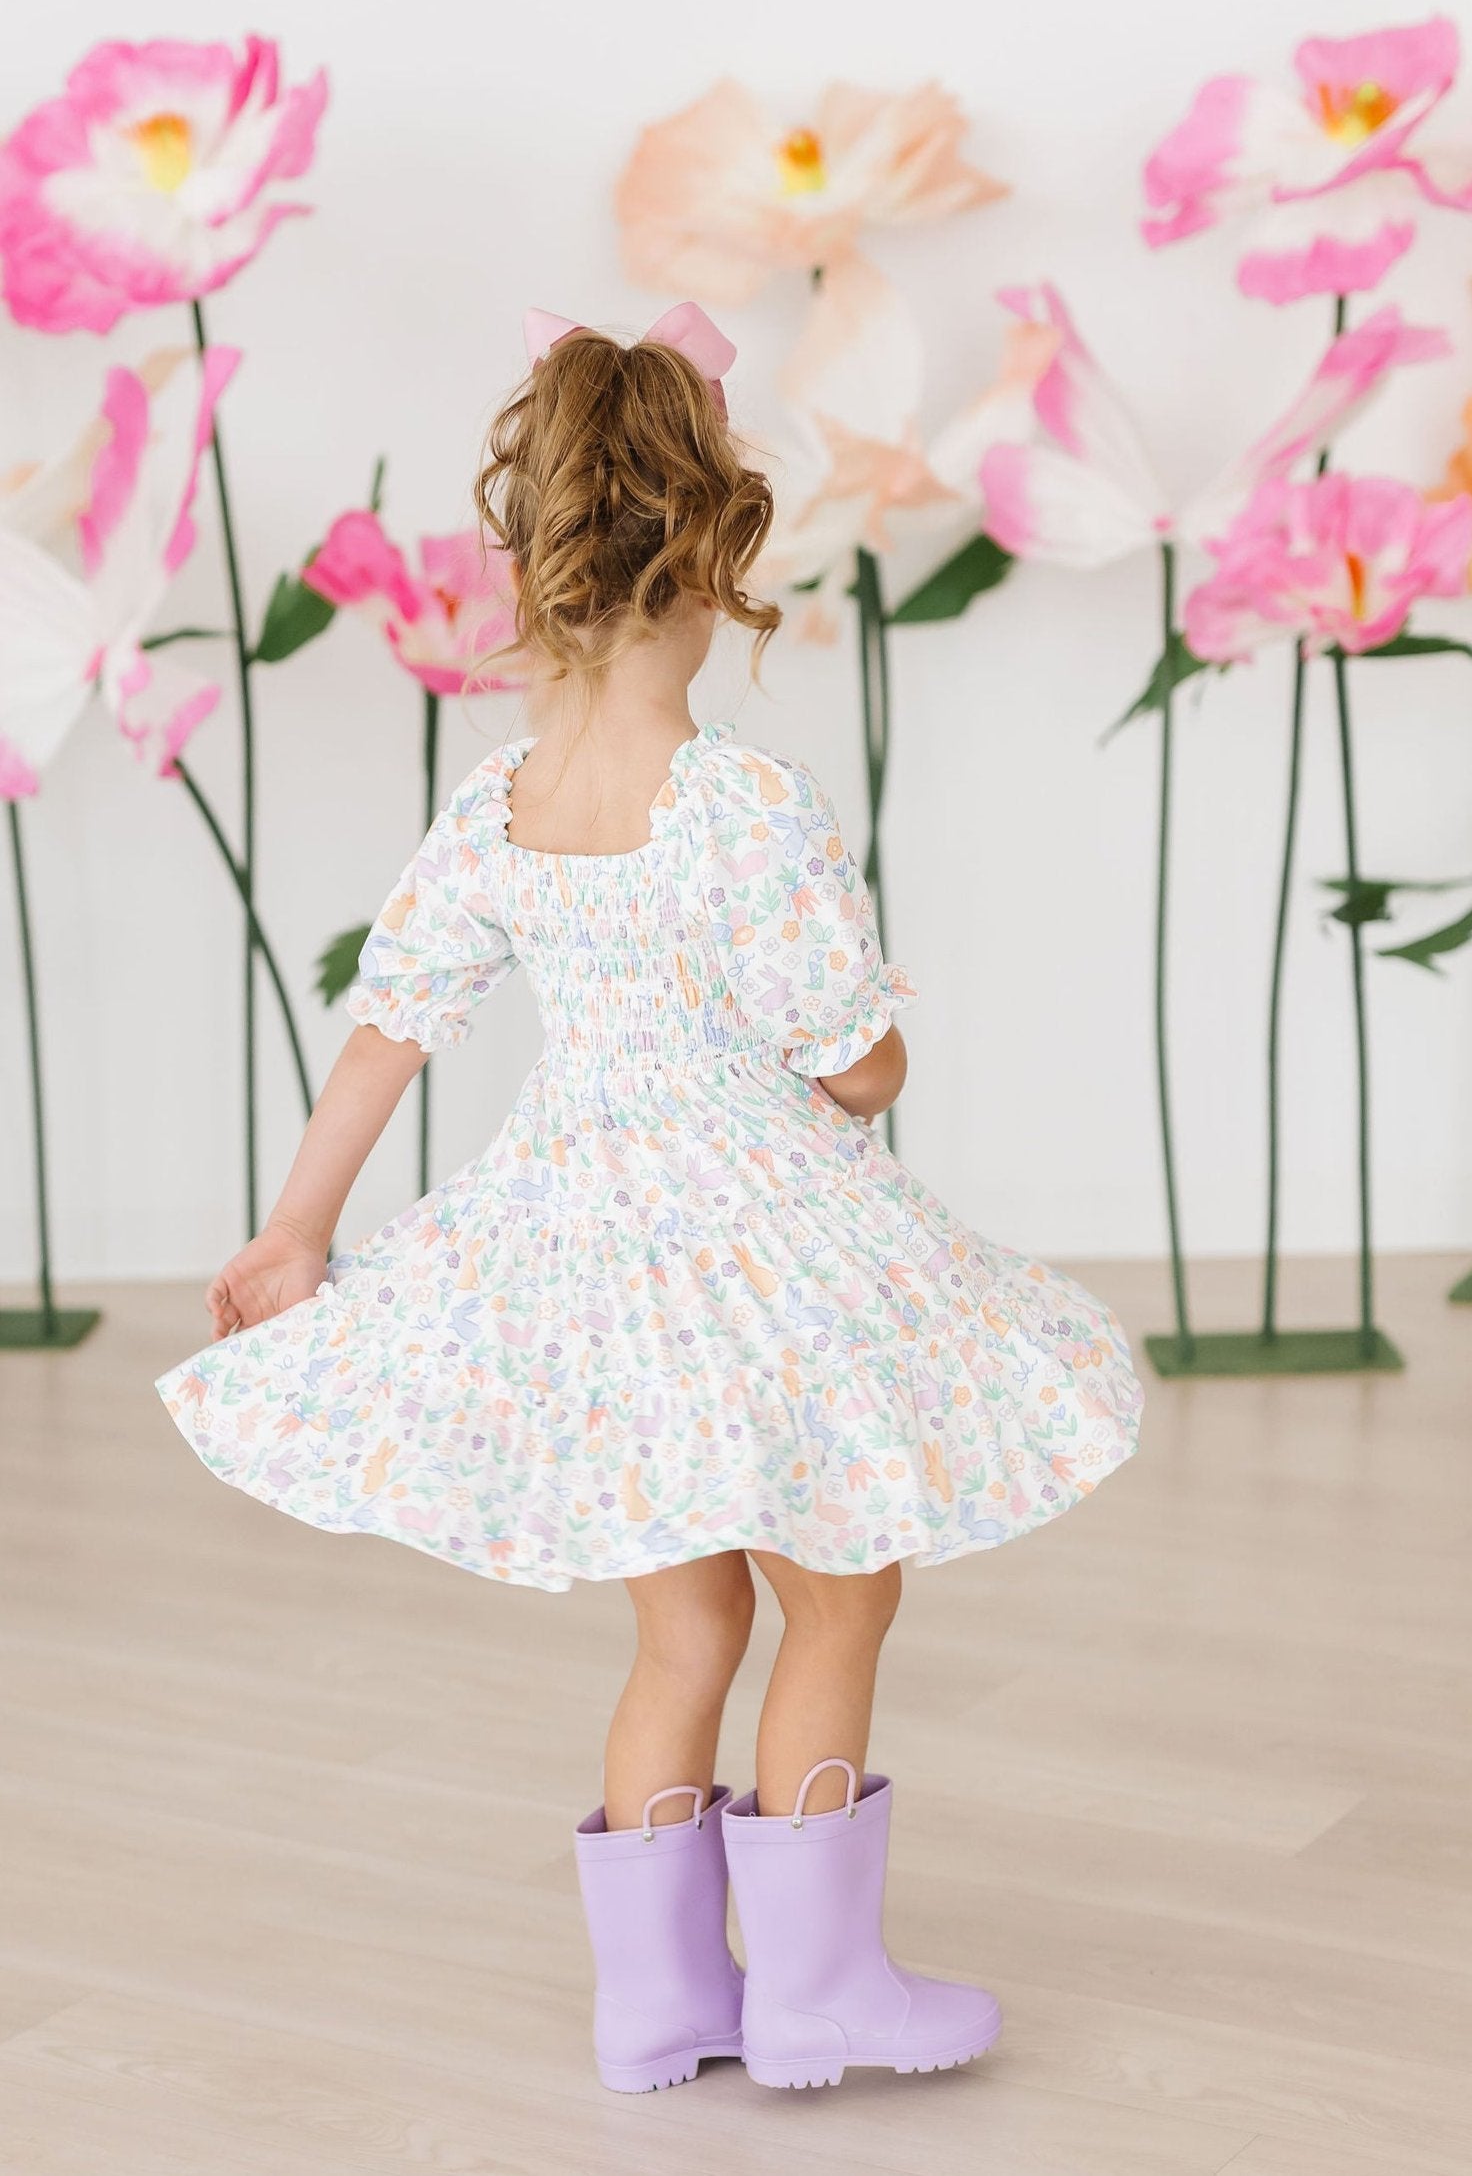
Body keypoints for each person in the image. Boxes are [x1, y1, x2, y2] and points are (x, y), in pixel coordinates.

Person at [157, 301, 1143, 2095]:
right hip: (758, 1241)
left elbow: (394, 1022)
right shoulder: (741, 800)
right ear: (708, 567)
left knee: (683, 1622)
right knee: (838, 1593)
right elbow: (852, 1065)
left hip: (587, 1245)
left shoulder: (502, 804)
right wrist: (872, 1046)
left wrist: (296, 1228)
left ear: (545, 573)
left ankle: (659, 2002)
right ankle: (818, 1991)